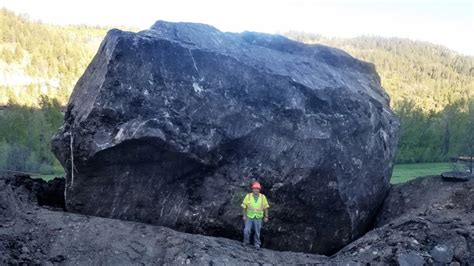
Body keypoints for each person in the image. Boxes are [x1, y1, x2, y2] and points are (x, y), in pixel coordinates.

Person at [241, 181, 269, 248]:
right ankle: (246, 242)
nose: (256, 190)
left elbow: (266, 207)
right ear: (252, 189)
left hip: (258, 217)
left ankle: (257, 244)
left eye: (257, 189)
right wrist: (244, 215)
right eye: (255, 188)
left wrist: (266, 216)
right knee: (247, 230)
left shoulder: (263, 197)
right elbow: (244, 206)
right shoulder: (248, 196)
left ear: (259, 189)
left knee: (257, 231)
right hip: (249, 216)